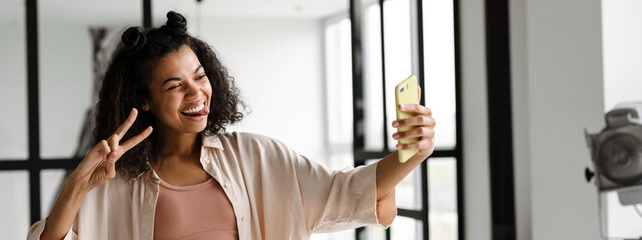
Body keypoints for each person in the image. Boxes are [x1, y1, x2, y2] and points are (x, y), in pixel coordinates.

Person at [27, 11, 436, 240]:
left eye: (199, 76)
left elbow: (353, 192)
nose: (196, 93)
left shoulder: (257, 157)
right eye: (175, 85)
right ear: (143, 100)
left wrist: (414, 152)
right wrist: (76, 188)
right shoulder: (112, 184)